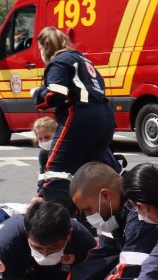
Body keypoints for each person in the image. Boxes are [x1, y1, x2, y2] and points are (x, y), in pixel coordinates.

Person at [32, 27, 118, 211]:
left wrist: (38, 94)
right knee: (88, 174)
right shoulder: (83, 59)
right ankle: (105, 222)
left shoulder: (58, 62)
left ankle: (61, 229)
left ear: (45, 46)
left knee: (55, 175)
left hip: (80, 115)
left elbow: (55, 94)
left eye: (40, 48)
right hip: (105, 115)